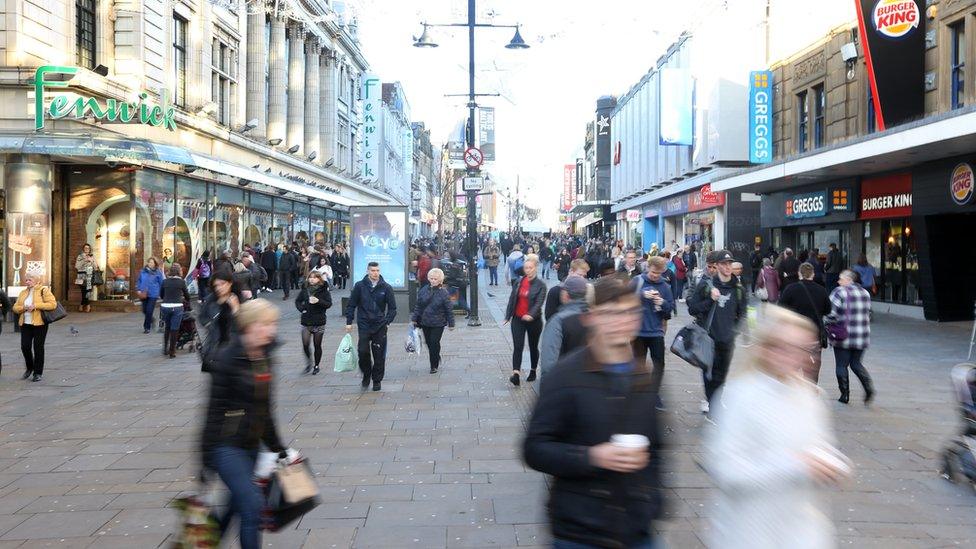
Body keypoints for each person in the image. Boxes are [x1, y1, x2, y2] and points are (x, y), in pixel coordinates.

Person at [523, 274, 664, 549]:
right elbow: (535, 448)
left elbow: (657, 448)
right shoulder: (565, 375)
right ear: (590, 318)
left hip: (636, 529)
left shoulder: (643, 375)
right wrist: (593, 456)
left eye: (629, 312)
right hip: (581, 531)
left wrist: (653, 502)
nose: (622, 321)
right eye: (610, 313)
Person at [705, 305, 848, 549]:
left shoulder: (810, 395)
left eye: (802, 349)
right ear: (764, 348)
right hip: (749, 532)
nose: (794, 357)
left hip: (801, 531)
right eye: (782, 347)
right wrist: (794, 463)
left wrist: (832, 465)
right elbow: (725, 468)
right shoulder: (738, 396)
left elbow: (821, 446)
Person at [201, 299, 288, 549]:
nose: (271, 330)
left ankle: (210, 539)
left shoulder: (265, 357)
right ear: (250, 326)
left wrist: (278, 448)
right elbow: (213, 410)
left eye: (273, 324)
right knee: (252, 508)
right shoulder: (227, 359)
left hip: (252, 446)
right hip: (225, 446)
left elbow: (266, 408)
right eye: (266, 324)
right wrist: (206, 461)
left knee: (236, 505)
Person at [688, 250, 747, 417]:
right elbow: (693, 308)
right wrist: (710, 300)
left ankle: (715, 402)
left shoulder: (738, 289)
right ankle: (713, 404)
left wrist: (735, 331)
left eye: (730, 264)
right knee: (708, 374)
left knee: (722, 376)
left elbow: (742, 314)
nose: (728, 267)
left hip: (728, 341)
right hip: (708, 339)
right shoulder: (707, 286)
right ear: (718, 266)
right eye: (724, 264)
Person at [345, 262, 397, 392]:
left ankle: (377, 380)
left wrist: (387, 321)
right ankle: (366, 374)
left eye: (377, 270)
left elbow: (393, 308)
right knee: (363, 352)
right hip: (364, 324)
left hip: (380, 325)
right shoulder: (359, 286)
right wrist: (349, 321)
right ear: (368, 271)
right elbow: (351, 304)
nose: (375, 273)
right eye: (373, 270)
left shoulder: (386, 287)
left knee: (379, 354)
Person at [632, 256, 675, 409]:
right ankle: (637, 393)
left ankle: (654, 394)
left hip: (656, 331)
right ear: (648, 268)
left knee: (659, 364)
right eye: (653, 272)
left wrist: (661, 302)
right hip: (638, 331)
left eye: (658, 273)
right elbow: (625, 299)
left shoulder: (665, 286)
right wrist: (641, 295)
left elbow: (670, 308)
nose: (655, 276)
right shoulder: (637, 281)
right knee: (638, 364)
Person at [777, 263, 831, 383]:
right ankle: (810, 392)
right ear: (813, 274)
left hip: (794, 336)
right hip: (814, 337)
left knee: (791, 369)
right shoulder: (821, 290)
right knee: (811, 372)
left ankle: (791, 393)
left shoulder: (791, 289)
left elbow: (780, 309)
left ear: (799, 274)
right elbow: (828, 310)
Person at [828, 270, 874, 404]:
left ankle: (845, 395)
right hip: (862, 335)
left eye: (841, 279)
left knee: (841, 365)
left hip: (843, 335)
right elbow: (868, 312)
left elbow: (832, 314)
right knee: (856, 363)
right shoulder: (865, 293)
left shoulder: (839, 292)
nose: (838, 281)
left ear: (849, 279)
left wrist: (825, 322)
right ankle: (868, 387)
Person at [504, 255, 547, 386]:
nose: (528, 270)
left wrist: (531, 314)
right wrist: (507, 316)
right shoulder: (519, 282)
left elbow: (539, 303)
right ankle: (515, 374)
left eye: (530, 268)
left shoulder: (541, 285)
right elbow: (512, 299)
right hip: (518, 319)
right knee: (518, 346)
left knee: (533, 347)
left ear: (535, 268)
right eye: (526, 268)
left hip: (534, 321)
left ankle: (533, 370)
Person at [538, 275, 589, 378]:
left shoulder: (558, 321)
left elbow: (549, 362)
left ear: (565, 294)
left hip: (565, 382)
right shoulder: (596, 317)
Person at [11, 275, 58, 382]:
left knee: (38, 348)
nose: (27, 282)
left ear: (37, 281)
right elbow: (15, 307)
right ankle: (29, 367)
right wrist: (24, 308)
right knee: (25, 347)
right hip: (25, 324)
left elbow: (52, 304)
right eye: (26, 280)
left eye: (30, 280)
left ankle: (37, 373)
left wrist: (36, 305)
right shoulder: (23, 292)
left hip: (40, 324)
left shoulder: (44, 290)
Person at [412, 267, 455, 374]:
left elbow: (449, 309)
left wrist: (451, 323)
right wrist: (414, 318)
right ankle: (436, 355)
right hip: (425, 321)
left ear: (440, 280)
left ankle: (433, 365)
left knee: (434, 342)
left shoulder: (444, 293)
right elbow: (419, 305)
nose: (433, 281)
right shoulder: (423, 290)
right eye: (431, 278)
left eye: (435, 279)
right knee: (428, 342)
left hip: (438, 322)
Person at [295, 270, 333, 375]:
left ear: (319, 279)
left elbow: (329, 304)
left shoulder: (324, 291)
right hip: (306, 321)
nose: (312, 279)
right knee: (305, 344)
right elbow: (297, 301)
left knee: (317, 345)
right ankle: (308, 362)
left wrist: (318, 301)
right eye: (310, 277)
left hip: (319, 321)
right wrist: (301, 308)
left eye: (315, 277)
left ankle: (316, 365)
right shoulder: (305, 289)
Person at [199, 269, 240, 356]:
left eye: (222, 284)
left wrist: (235, 310)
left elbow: (243, 325)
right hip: (214, 346)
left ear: (230, 283)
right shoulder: (211, 299)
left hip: (233, 347)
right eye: (216, 285)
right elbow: (202, 316)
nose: (219, 288)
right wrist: (209, 325)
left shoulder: (238, 299)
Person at [160, 264, 191, 358]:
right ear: (179, 271)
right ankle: (172, 351)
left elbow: (161, 295)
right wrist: (184, 299)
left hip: (165, 306)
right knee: (175, 329)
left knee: (167, 328)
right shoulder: (181, 282)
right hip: (177, 306)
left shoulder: (165, 281)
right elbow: (187, 296)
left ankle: (165, 348)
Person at [136, 257, 165, 334]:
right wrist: (138, 289)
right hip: (144, 293)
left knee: (149, 310)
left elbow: (161, 283)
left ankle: (147, 327)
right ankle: (152, 319)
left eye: (152, 262)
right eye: (149, 262)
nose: (150, 264)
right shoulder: (143, 271)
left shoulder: (158, 272)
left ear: (155, 264)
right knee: (144, 310)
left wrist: (161, 293)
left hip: (153, 294)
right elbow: (139, 281)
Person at [74, 243, 98, 313]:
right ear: (83, 249)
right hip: (81, 275)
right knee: (83, 291)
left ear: (90, 249)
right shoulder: (80, 256)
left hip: (89, 275)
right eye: (85, 248)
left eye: (88, 248)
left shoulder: (92, 256)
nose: (86, 249)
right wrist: (84, 260)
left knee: (88, 291)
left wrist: (92, 261)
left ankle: (82, 305)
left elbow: (96, 267)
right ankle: (87, 305)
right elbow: (77, 266)